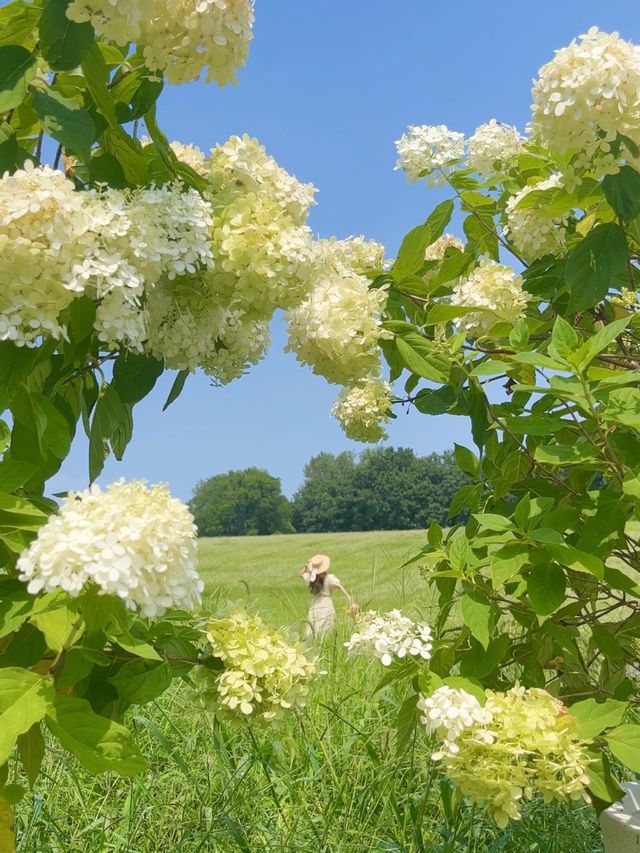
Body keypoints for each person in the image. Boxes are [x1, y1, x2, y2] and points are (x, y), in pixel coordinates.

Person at [299, 554, 356, 638]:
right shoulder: (329, 578)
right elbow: (339, 586)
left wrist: (306, 566)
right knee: (325, 627)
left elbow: (301, 574)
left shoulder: (312, 579)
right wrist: (349, 598)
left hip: (314, 604)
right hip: (326, 604)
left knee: (313, 625)